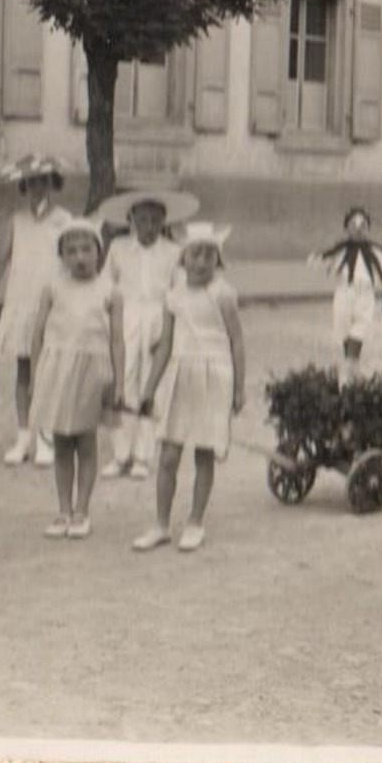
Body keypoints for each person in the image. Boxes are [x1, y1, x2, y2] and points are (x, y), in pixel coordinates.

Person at [134, 223, 246, 553]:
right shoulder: (174, 296)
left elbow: (237, 341)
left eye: (209, 255)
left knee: (204, 454)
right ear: (183, 258)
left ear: (218, 260)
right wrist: (149, 389)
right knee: (168, 455)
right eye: (195, 254)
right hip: (180, 376)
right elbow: (165, 345)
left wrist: (239, 388)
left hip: (215, 375)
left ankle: (195, 521)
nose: (201, 262)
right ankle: (160, 524)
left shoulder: (224, 294)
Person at [28, 217, 125, 540]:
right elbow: (38, 332)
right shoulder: (52, 287)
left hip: (92, 372)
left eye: (86, 249)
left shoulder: (110, 290)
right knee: (61, 443)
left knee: (85, 442)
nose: (80, 257)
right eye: (71, 251)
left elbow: (117, 341)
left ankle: (82, 510)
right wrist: (35, 375)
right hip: (58, 370)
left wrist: (119, 382)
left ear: (99, 252)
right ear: (62, 256)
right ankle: (63, 510)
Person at [98, 188, 197, 479]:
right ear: (131, 220)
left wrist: (169, 328)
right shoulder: (118, 248)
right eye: (142, 220)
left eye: (155, 220)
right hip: (127, 316)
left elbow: (179, 291)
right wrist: (109, 316)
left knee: (151, 383)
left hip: (158, 315)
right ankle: (120, 454)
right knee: (123, 379)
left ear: (163, 222)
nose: (148, 227)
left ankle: (143, 454)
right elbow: (106, 284)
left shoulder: (173, 251)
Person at [0, 154, 74, 469]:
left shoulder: (64, 220)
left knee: (48, 369)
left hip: (50, 305)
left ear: (52, 184)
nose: (37, 187)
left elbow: (71, 262)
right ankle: (24, 434)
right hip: (21, 301)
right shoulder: (17, 220)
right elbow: (2, 259)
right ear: (24, 185)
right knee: (24, 369)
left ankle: (46, 435)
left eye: (43, 181)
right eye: (31, 182)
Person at [311, 206, 382, 389]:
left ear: (368, 228)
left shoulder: (376, 251)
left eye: (363, 224)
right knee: (346, 334)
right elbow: (319, 261)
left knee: (359, 331)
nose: (358, 228)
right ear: (346, 228)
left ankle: (347, 374)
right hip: (344, 294)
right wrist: (325, 256)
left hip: (365, 295)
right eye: (353, 224)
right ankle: (352, 373)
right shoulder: (339, 250)